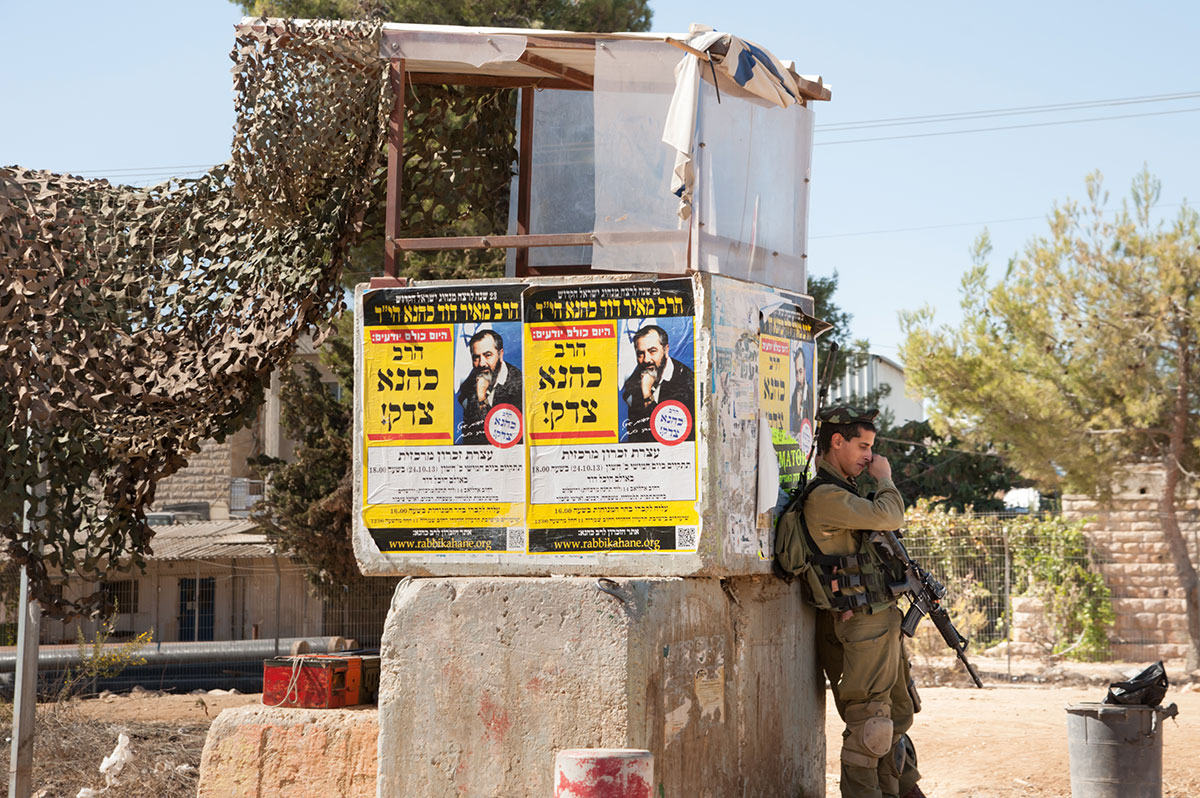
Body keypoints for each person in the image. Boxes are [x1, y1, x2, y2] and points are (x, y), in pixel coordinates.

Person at [801, 405, 925, 798]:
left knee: (896, 717)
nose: (870, 456)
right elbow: (890, 516)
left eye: (872, 448)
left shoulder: (846, 493)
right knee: (871, 727)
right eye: (863, 446)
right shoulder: (825, 496)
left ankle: (902, 791)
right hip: (858, 623)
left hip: (879, 618)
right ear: (836, 442)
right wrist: (885, 479)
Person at [619, 324, 695, 442]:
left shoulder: (686, 381)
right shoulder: (632, 383)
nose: (646, 359)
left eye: (652, 351)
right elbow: (637, 436)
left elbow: (666, 435)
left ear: (665, 350)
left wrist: (646, 394)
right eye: (640, 354)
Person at [455, 329, 523, 445]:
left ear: (500, 355)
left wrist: (481, 397)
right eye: (476, 357)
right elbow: (471, 433)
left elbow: (497, 437)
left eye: (487, 355)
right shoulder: (472, 379)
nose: (481, 363)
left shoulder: (518, 384)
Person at [789, 345, 813, 433]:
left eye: (800, 371)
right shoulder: (794, 394)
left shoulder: (810, 394)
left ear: (805, 370)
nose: (798, 378)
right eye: (796, 372)